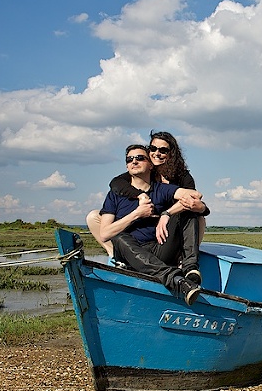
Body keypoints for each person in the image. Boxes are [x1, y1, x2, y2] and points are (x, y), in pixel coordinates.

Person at [98, 144, 207, 305]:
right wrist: (137, 213)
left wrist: (167, 214)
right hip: (130, 253)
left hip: (158, 248)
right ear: (127, 166)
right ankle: (177, 281)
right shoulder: (115, 194)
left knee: (187, 210)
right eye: (129, 159)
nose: (134, 161)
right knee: (118, 237)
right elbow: (105, 233)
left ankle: (190, 268)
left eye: (140, 158)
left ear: (150, 164)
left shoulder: (161, 190)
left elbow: (194, 195)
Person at [86, 130, 209, 258]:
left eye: (163, 150)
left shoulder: (182, 177)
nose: (157, 153)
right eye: (153, 148)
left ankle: (186, 258)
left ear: (171, 154)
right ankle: (113, 254)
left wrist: (167, 214)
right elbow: (115, 183)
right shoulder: (142, 170)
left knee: (199, 219)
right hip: (143, 224)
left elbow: (193, 199)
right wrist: (140, 195)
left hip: (170, 225)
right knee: (93, 216)